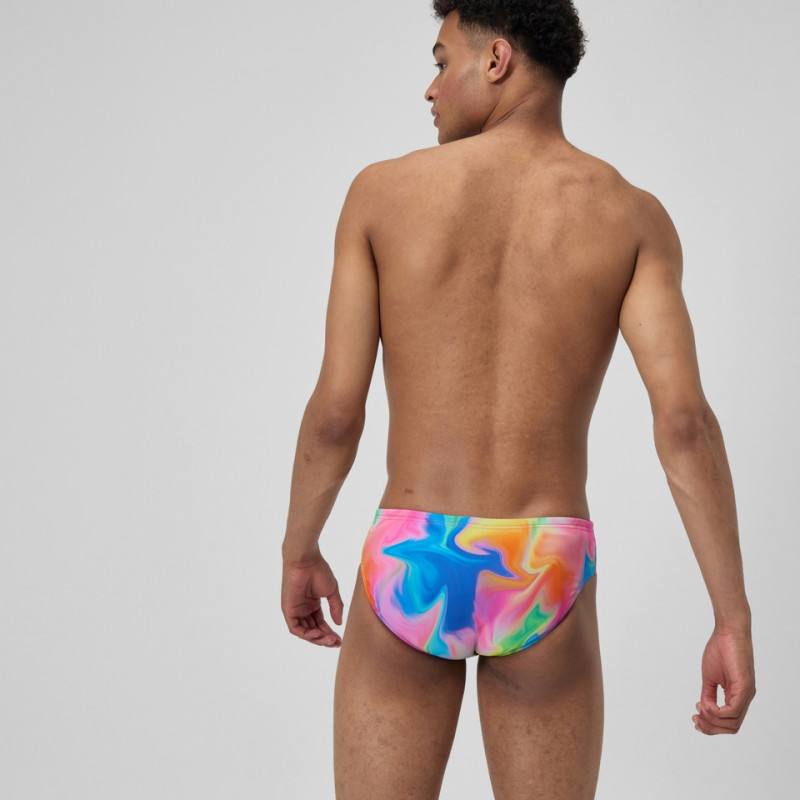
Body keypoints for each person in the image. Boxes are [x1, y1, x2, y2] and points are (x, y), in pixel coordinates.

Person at [280, 1, 756, 797]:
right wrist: (731, 617)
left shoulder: (381, 194)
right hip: (543, 564)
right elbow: (684, 425)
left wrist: (299, 549)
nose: (430, 89)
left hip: (412, 557)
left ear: (496, 60)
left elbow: (335, 414)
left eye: (441, 62)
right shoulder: (631, 217)